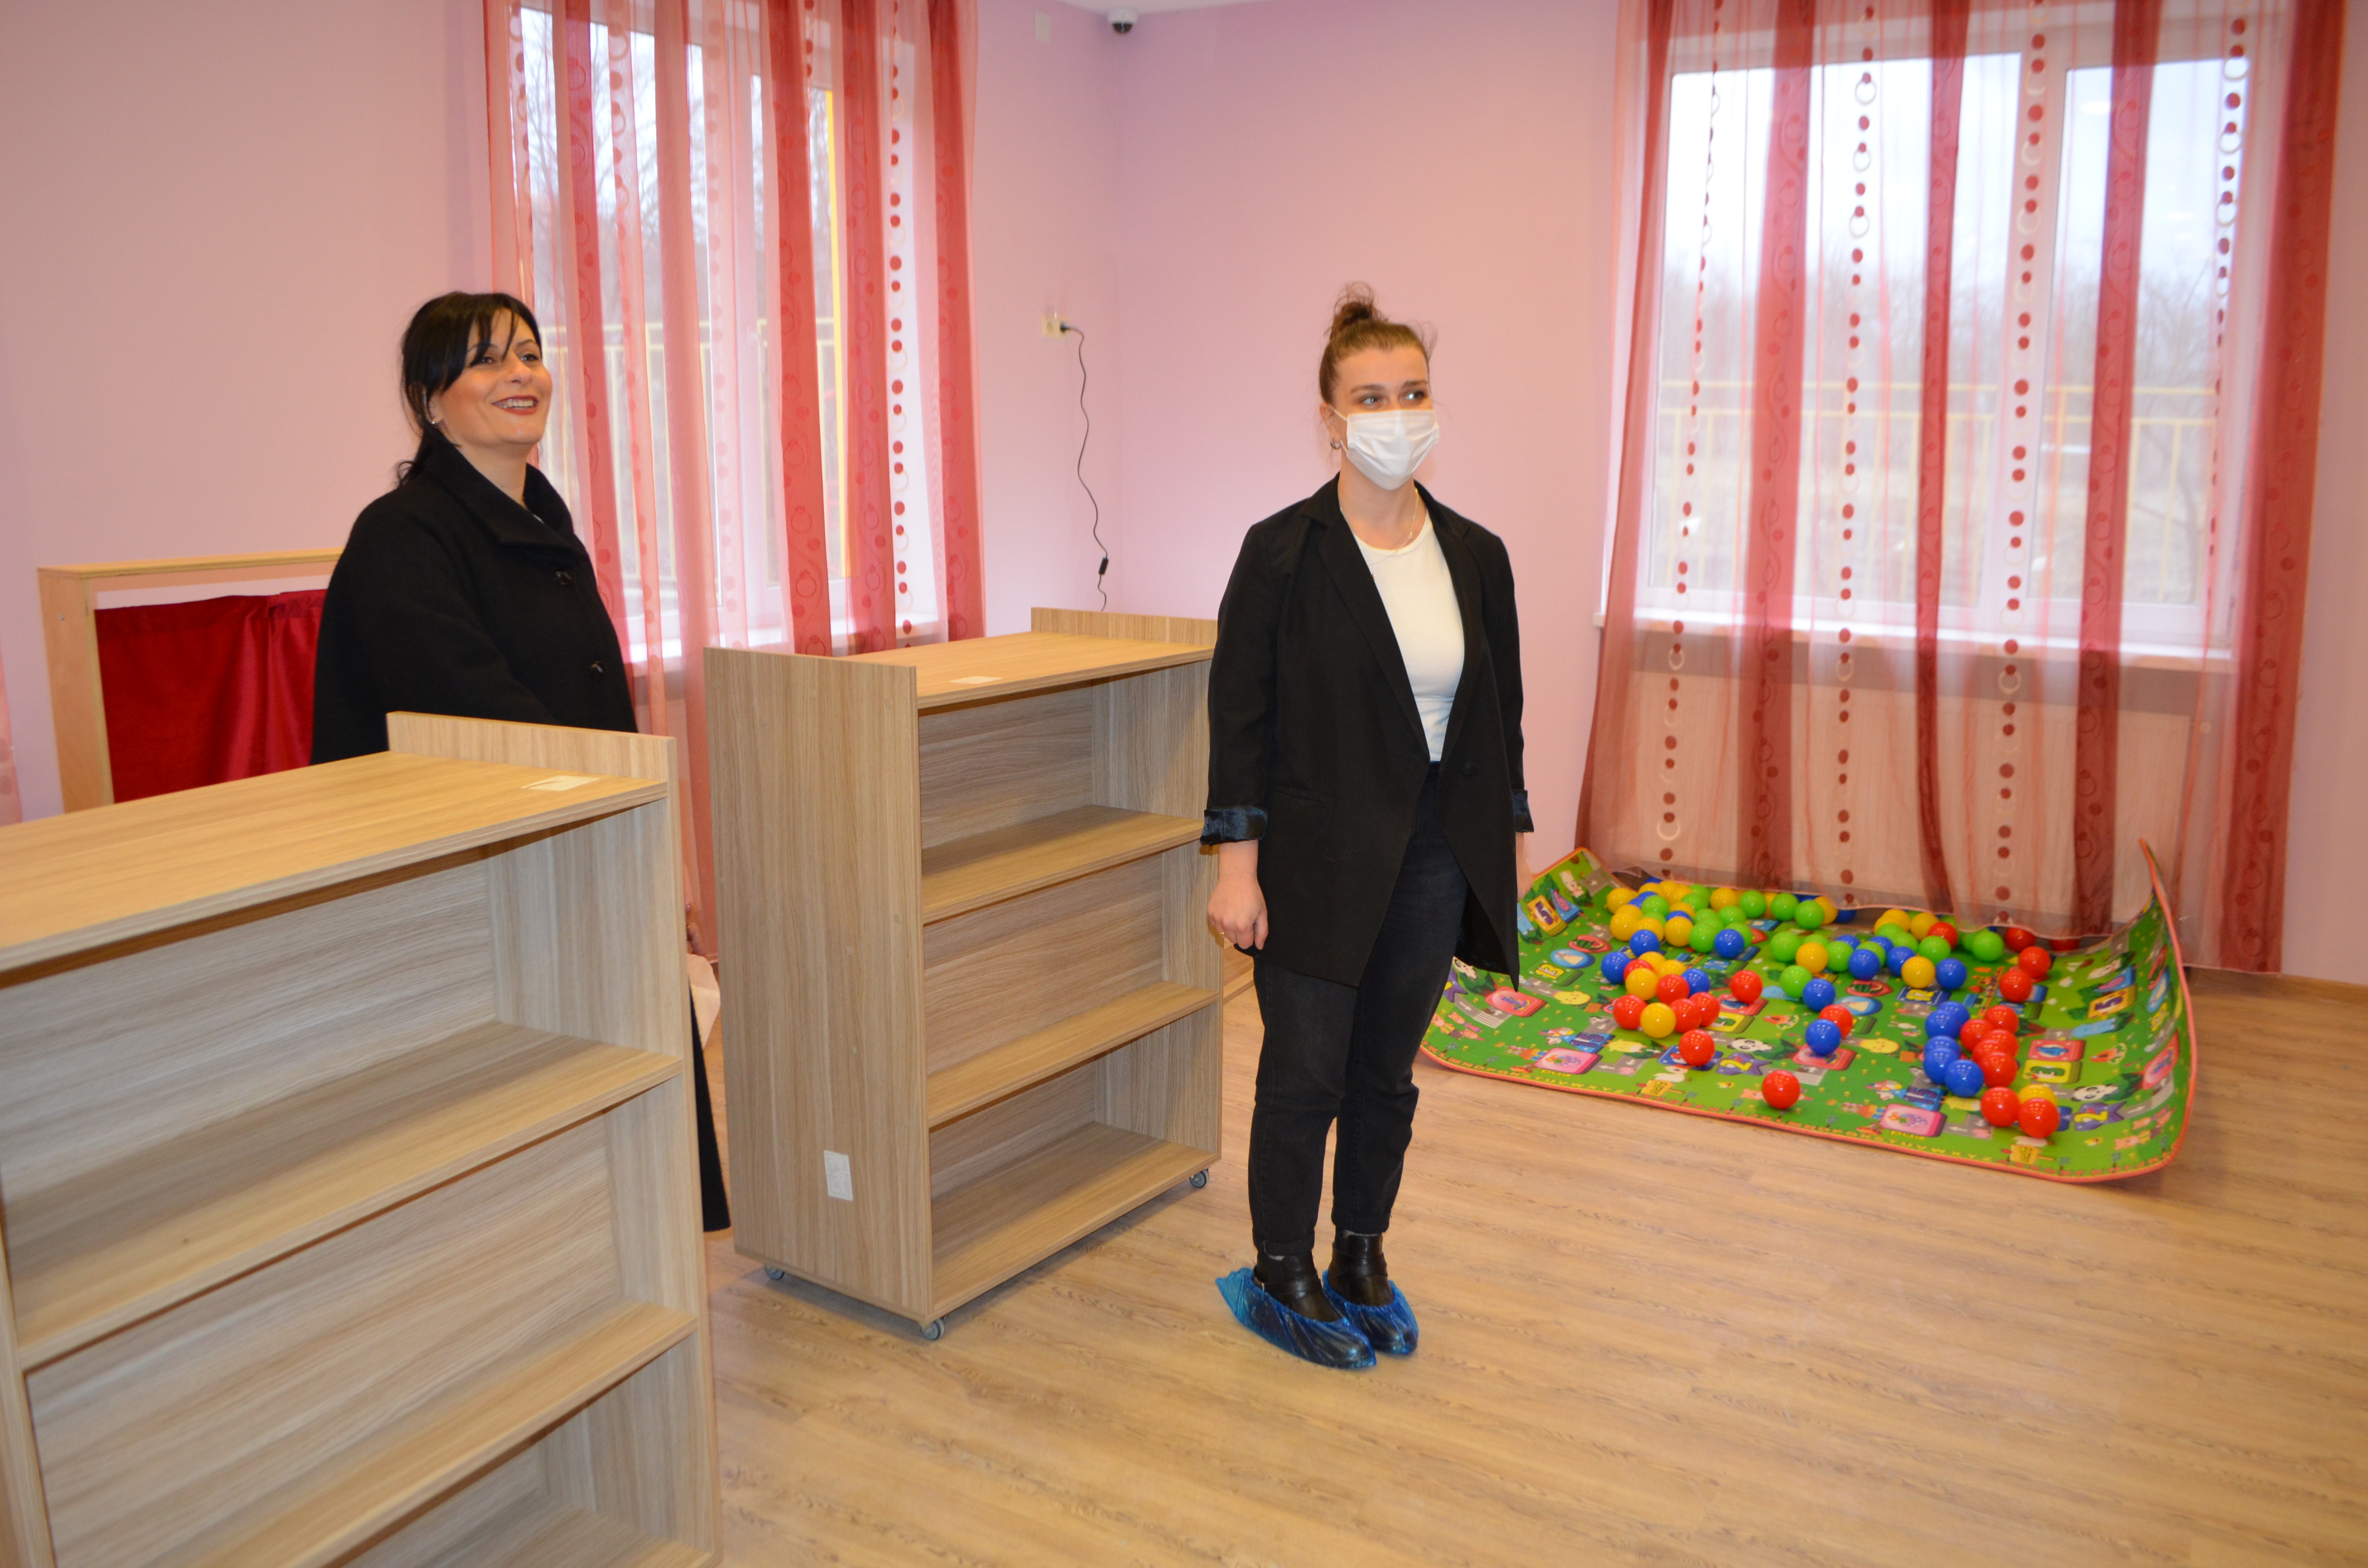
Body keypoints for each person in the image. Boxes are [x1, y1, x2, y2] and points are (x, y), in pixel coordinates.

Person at [314, 291, 730, 1232]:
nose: (521, 375)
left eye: (530, 353)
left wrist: (646, 836)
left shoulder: (542, 521)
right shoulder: (404, 534)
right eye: (488, 359)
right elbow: (474, 711)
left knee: (633, 1090)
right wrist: (619, 820)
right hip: (492, 878)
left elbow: (595, 703)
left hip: (583, 840)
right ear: (430, 399)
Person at [1204, 285, 1529, 1368]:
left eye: (1414, 392)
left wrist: (1503, 843)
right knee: (1306, 1073)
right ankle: (1279, 1264)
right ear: (1331, 419)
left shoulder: (1475, 554)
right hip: (1313, 857)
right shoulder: (1281, 554)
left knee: (1387, 1074)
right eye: (1373, 396)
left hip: (1433, 853)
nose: (1398, 414)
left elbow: (1499, 717)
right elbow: (1240, 723)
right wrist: (1237, 870)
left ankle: (1358, 1251)